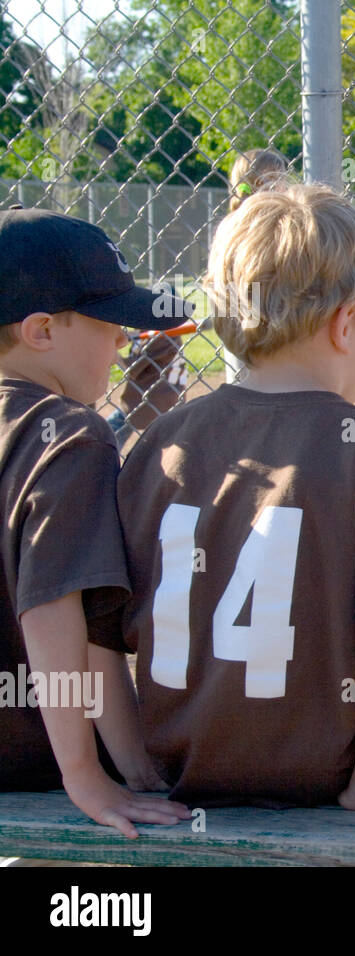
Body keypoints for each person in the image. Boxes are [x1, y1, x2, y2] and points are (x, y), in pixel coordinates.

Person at [114, 184, 355, 810]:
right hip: (329, 775)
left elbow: (101, 628)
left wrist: (136, 767)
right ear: (344, 323)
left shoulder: (164, 442)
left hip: (183, 769)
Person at [0, 206, 190, 837]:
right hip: (31, 760)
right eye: (109, 324)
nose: (121, 342)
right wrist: (93, 771)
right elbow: (61, 614)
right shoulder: (70, 436)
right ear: (41, 332)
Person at [221, 148, 289, 385]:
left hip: (275, 316)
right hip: (243, 316)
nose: (283, 187)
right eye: (274, 179)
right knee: (245, 383)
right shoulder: (239, 224)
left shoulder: (285, 222)